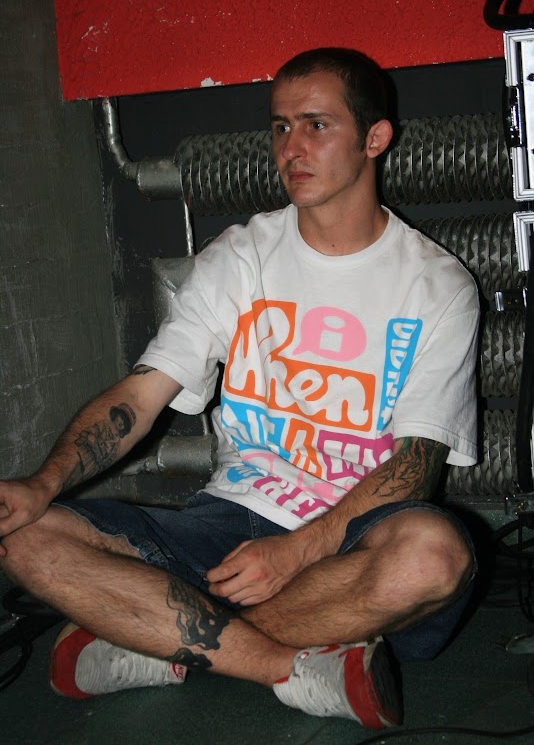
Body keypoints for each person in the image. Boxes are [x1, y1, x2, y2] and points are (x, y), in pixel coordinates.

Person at [0, 48, 480, 731]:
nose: (292, 148)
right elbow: (141, 396)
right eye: (281, 126)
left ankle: (158, 640)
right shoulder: (241, 255)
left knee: (433, 555)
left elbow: (416, 467)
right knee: (25, 537)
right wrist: (42, 483)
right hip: (227, 521)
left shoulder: (437, 285)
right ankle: (282, 665)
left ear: (375, 138)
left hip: (351, 538)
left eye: (317, 125)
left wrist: (298, 549)